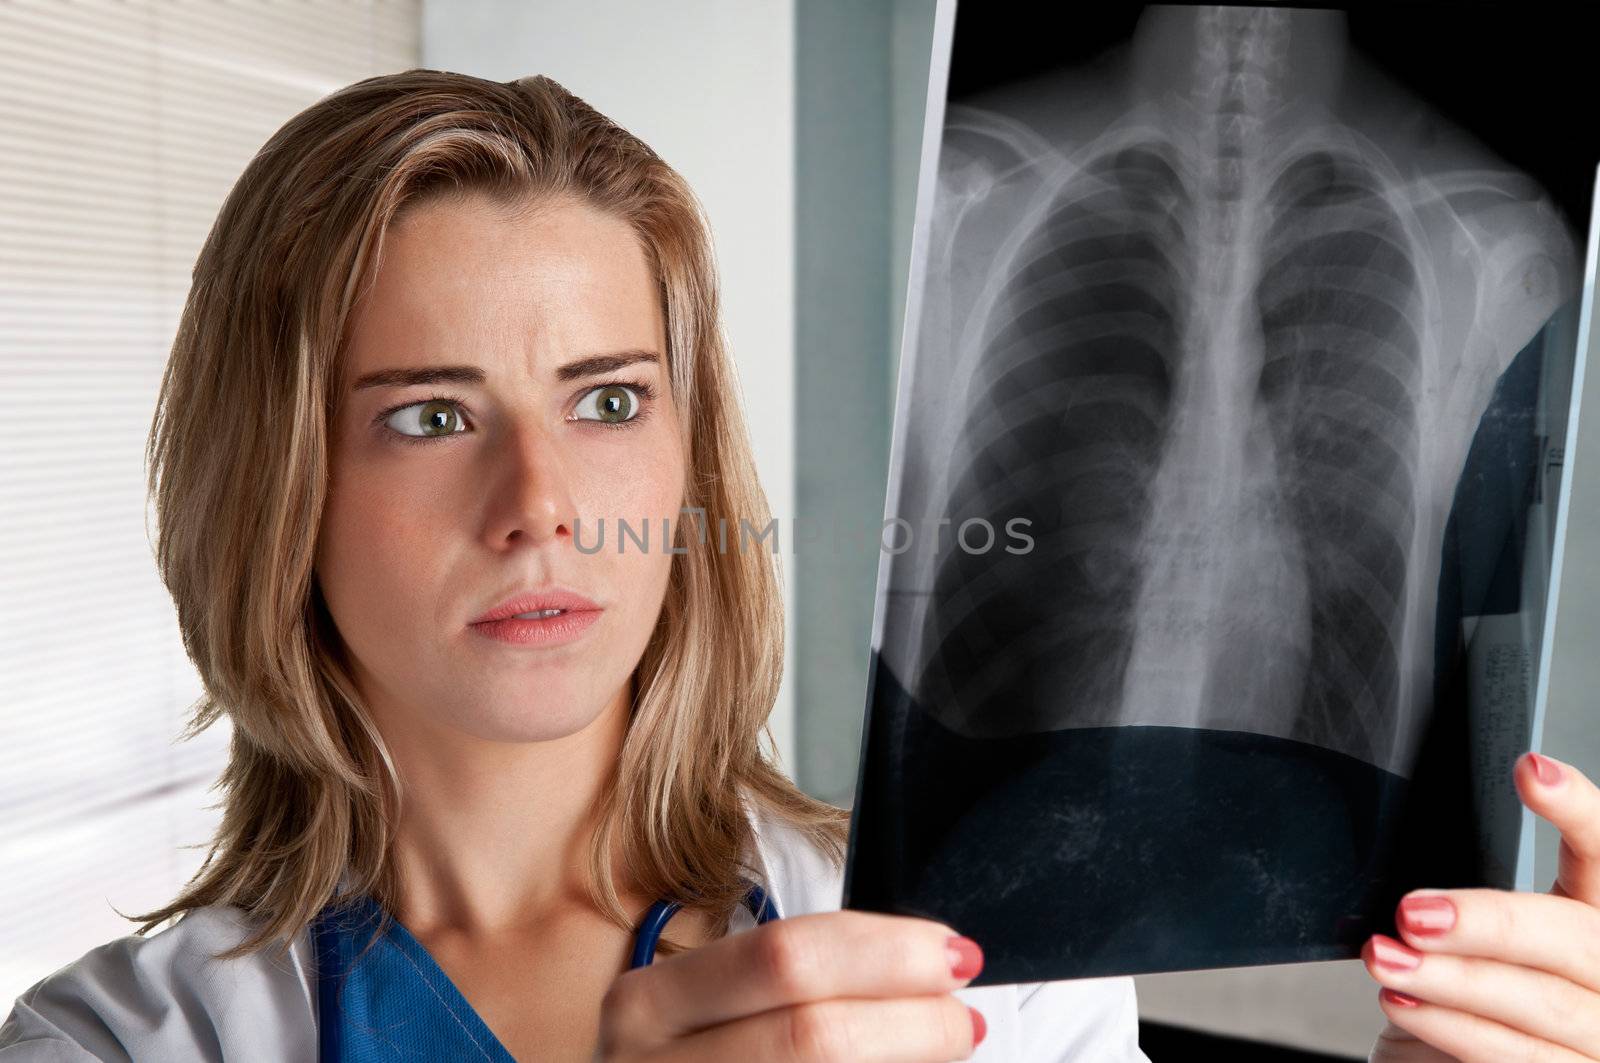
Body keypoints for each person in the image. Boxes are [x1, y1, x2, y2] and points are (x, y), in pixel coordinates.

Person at [3, 69, 1598, 1063]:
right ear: (271, 483)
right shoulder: (124, 1042)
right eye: (428, 415)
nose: (543, 503)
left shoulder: (986, 957)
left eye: (610, 399)